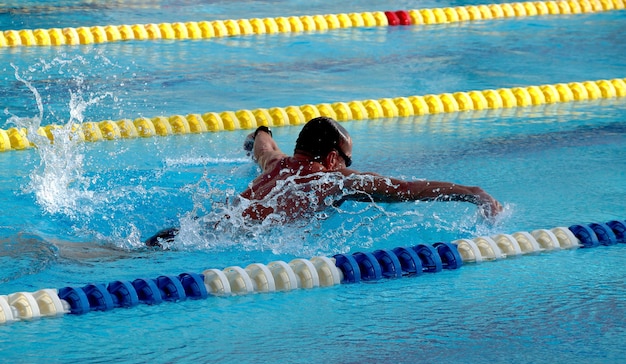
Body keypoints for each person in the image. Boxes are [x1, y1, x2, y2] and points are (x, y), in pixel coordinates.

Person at [145, 117, 502, 247]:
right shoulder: (331, 181)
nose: (350, 167)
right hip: (213, 246)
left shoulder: (276, 163)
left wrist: (259, 132)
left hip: (185, 232)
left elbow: (262, 143)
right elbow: (405, 190)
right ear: (333, 158)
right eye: (348, 161)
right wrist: (473, 193)